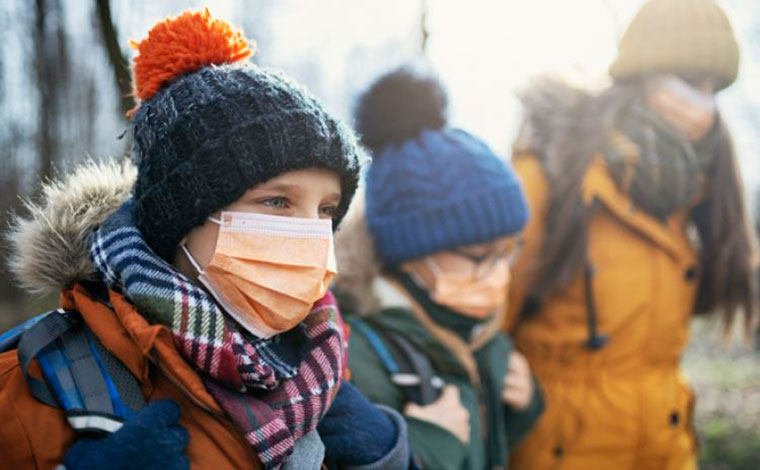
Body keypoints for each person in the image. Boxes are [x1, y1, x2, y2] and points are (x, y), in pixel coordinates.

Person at [0, 10, 411, 470]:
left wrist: (391, 460)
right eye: (276, 202)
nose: (310, 235)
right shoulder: (33, 377)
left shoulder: (322, 368)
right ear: (181, 219)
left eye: (326, 210)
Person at [504, 0, 757, 468]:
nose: (703, 103)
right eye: (688, 79)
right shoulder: (550, 179)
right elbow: (481, 316)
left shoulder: (696, 194)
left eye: (714, 87)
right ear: (641, 79)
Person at [333, 67, 544, 470]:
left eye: (509, 251)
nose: (499, 272)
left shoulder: (475, 329)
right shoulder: (356, 350)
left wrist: (522, 409)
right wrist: (427, 445)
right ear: (410, 252)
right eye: (481, 255)